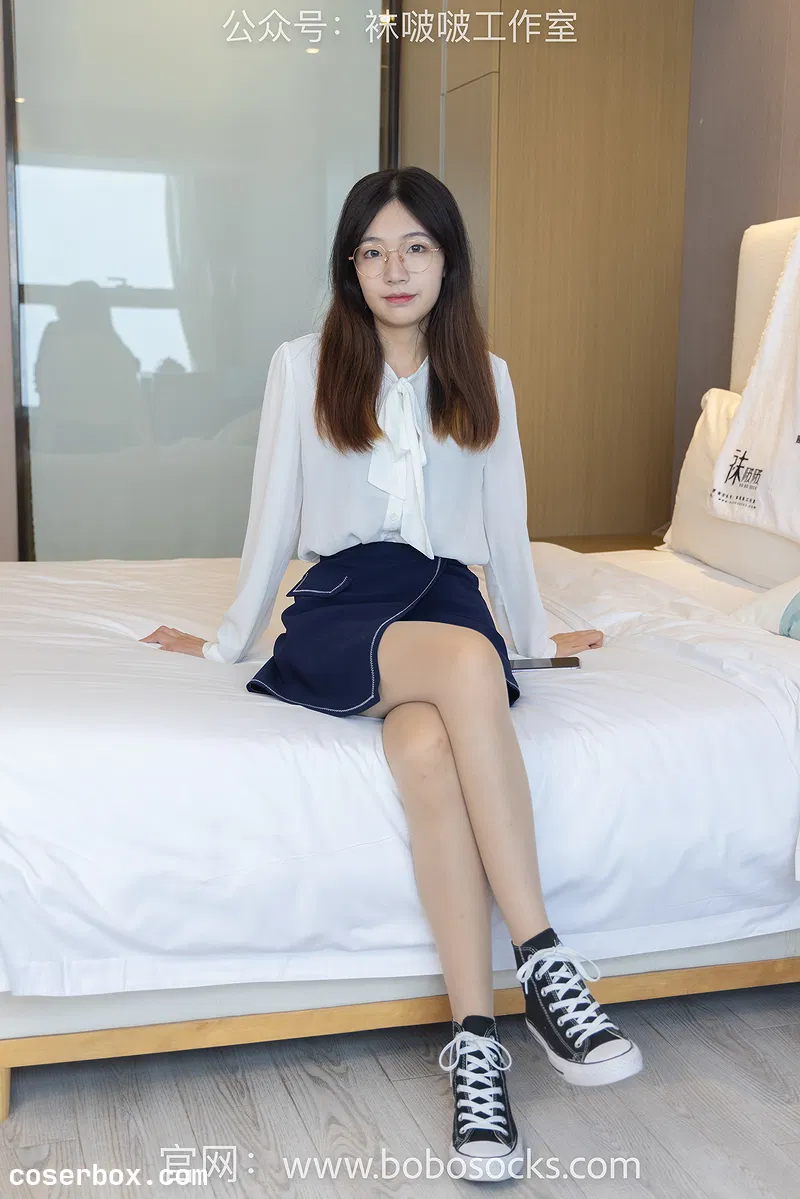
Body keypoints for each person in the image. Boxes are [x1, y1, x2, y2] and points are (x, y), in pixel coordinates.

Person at [141, 166, 642, 1182]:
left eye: (414, 247)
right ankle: (544, 954)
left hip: (446, 596)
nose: (393, 269)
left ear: (447, 259)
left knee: (424, 747)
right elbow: (270, 517)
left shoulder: (486, 374)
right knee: (465, 661)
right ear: (350, 267)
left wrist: (536, 636)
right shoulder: (301, 365)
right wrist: (229, 638)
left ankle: (476, 1046)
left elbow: (505, 525)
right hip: (343, 602)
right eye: (371, 251)